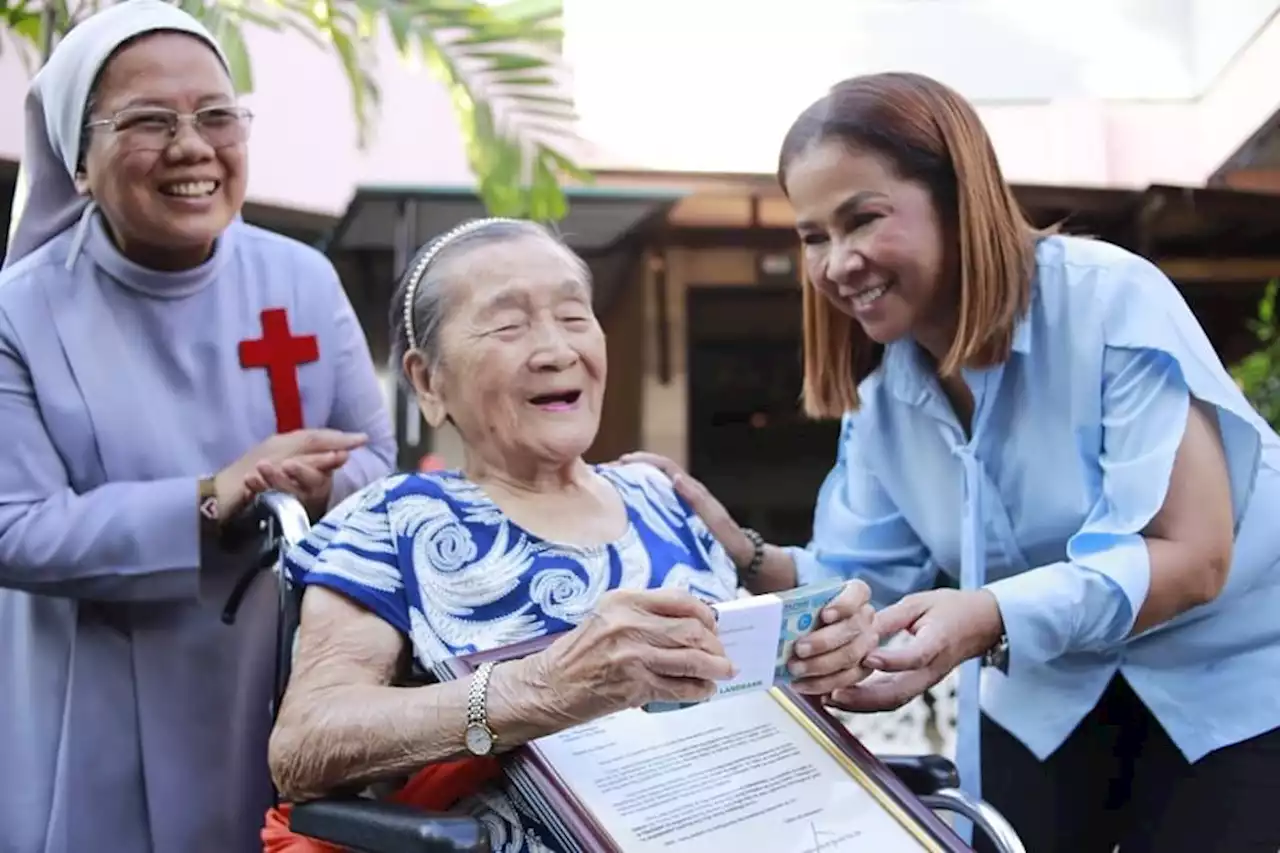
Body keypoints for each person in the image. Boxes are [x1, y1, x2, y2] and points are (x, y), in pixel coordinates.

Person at [625, 71, 1280, 853]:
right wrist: (742, 550)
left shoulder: (1112, 301)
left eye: (862, 219)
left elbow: (1192, 555)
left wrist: (987, 616)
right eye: (812, 237)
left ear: (955, 196)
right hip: (1045, 697)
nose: (838, 263)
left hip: (1232, 689)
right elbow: (859, 579)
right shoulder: (885, 405)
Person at [262, 217, 880, 853]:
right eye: (508, 325)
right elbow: (307, 741)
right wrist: (546, 688)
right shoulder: (394, 519)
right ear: (427, 380)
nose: (557, 350)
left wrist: (817, 658)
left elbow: (737, 694)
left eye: (575, 316)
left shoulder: (661, 497)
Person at [0, 3, 395, 851]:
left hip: (279, 681)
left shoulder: (302, 279)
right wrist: (212, 497)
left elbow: (384, 472)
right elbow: (15, 529)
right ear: (77, 161)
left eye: (217, 115)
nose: (192, 146)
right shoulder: (21, 313)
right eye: (149, 121)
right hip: (96, 690)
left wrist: (324, 485)